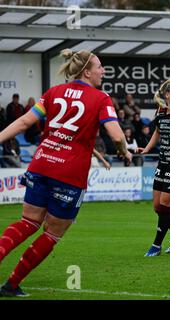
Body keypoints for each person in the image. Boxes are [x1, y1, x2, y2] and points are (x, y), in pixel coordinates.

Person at [0, 48, 132, 297]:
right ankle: (11, 284)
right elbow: (116, 135)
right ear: (87, 71)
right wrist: (123, 150)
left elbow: (24, 122)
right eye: (100, 67)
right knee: (52, 232)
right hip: (69, 175)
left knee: (27, 222)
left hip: (41, 164)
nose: (103, 71)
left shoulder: (54, 92)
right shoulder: (101, 98)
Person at [138, 80, 170, 257]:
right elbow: (157, 132)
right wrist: (147, 148)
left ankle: (156, 245)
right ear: (167, 95)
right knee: (157, 207)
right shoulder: (160, 112)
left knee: (165, 205)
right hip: (162, 164)